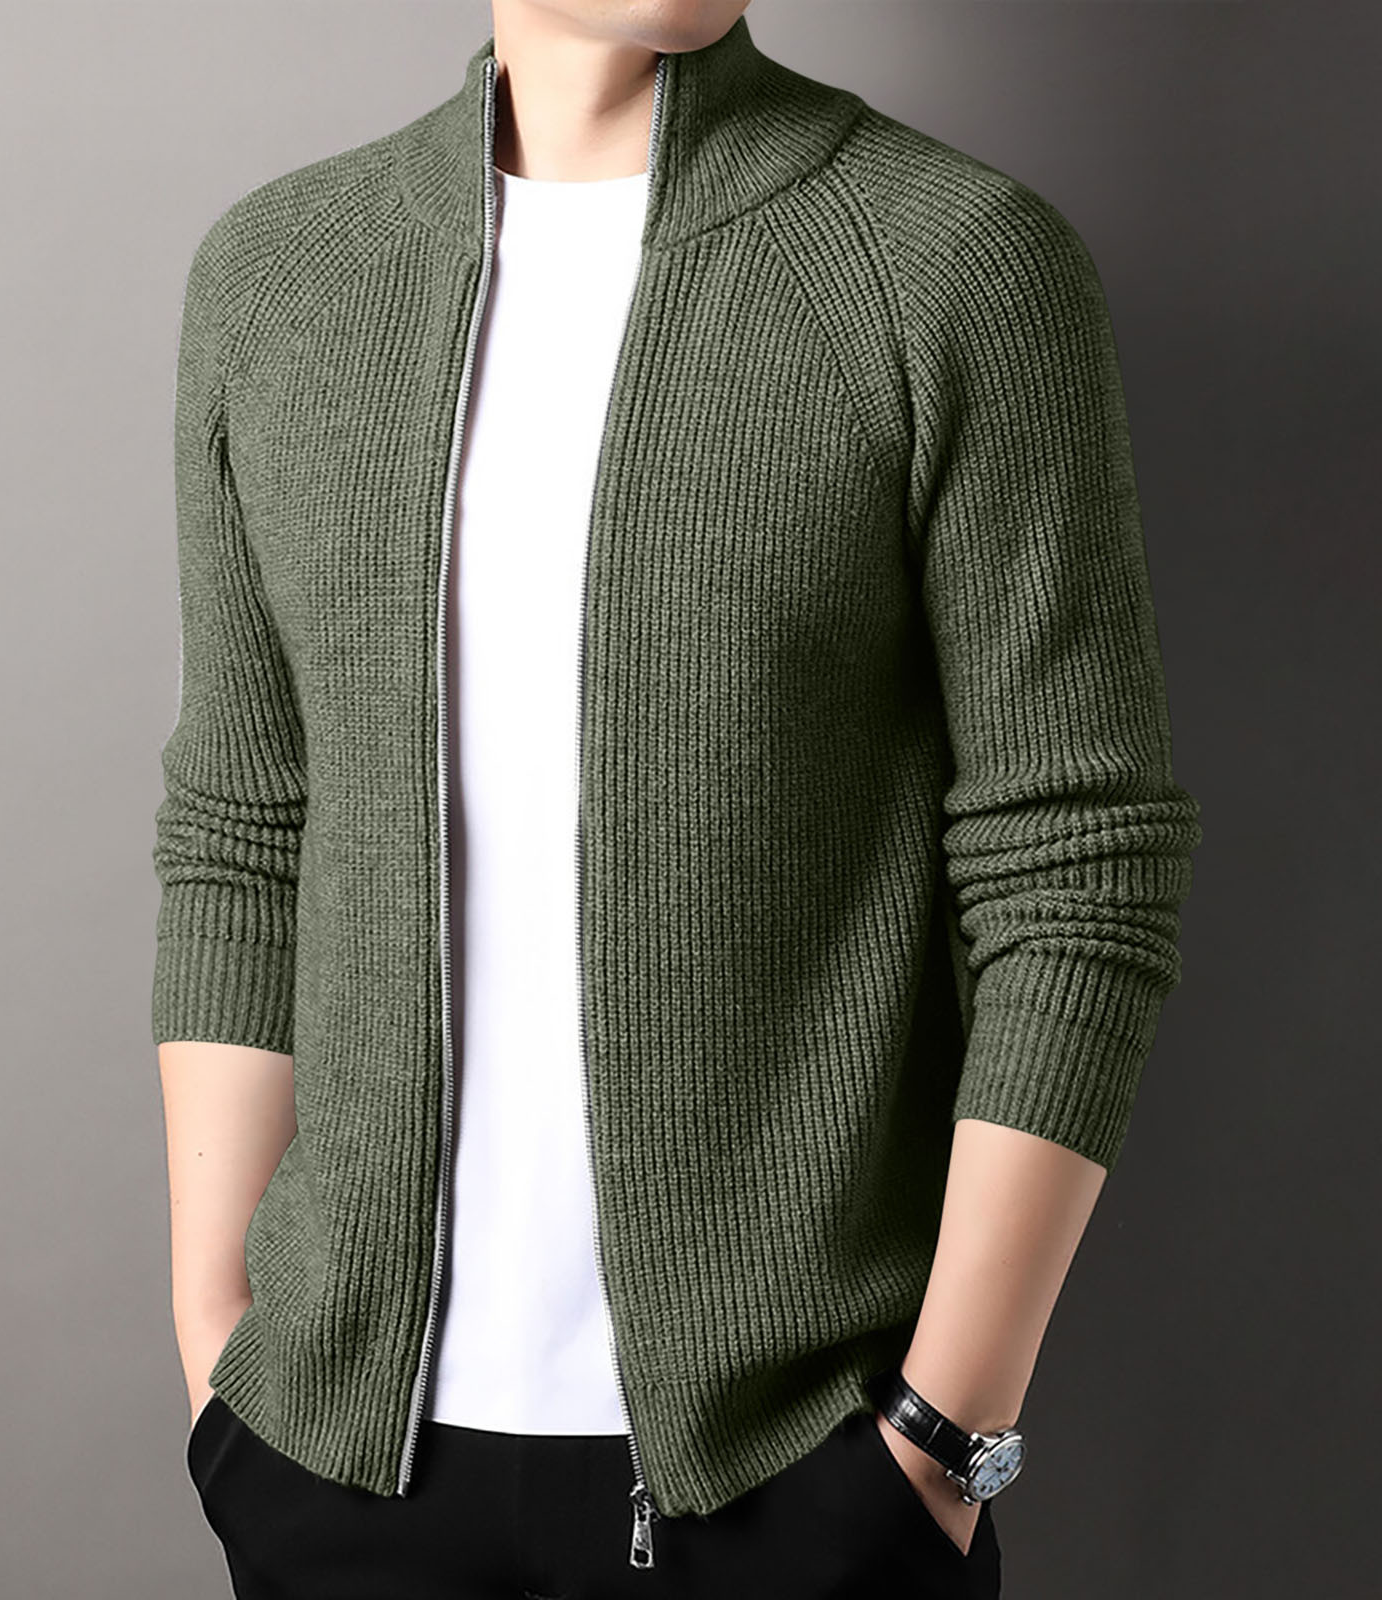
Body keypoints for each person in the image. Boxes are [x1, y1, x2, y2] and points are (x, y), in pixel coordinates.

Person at [152, 3, 1203, 1596]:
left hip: (800, 1481)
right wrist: (219, 1354)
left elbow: (1076, 864)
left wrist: (940, 1437)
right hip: (336, 1465)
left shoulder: (953, 262)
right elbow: (244, 831)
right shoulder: (282, 275)